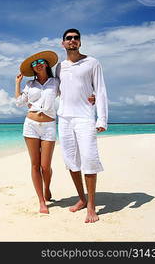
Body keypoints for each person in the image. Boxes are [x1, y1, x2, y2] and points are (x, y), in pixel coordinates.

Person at [15, 51, 95, 214]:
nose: (38, 64)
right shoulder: (30, 85)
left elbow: (73, 91)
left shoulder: (56, 82)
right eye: (35, 63)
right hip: (30, 125)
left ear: (46, 64)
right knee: (35, 165)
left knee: (46, 166)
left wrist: (91, 95)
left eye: (41, 61)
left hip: (49, 126)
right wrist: (18, 83)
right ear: (33, 68)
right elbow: (19, 103)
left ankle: (47, 188)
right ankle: (42, 201)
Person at [55, 28, 108, 223]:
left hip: (85, 118)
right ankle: (82, 199)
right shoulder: (60, 67)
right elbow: (58, 89)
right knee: (71, 161)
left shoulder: (92, 62)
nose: (72, 41)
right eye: (68, 38)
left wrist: (101, 119)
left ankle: (92, 207)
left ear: (80, 42)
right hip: (64, 119)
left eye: (76, 38)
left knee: (89, 159)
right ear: (63, 43)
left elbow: (100, 90)